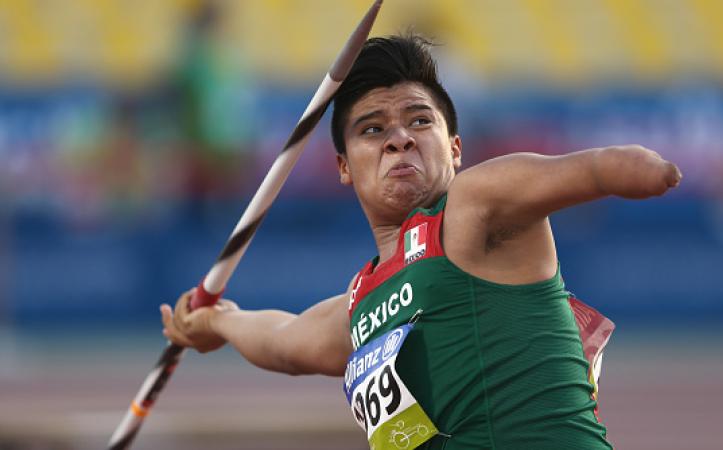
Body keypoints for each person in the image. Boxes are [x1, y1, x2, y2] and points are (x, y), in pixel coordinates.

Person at [161, 34, 681, 449]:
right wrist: (215, 320)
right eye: (371, 129)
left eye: (419, 120)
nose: (399, 137)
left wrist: (644, 169)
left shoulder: (476, 208)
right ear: (343, 167)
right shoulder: (363, 302)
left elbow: (584, 169)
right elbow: (285, 340)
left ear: (455, 148)